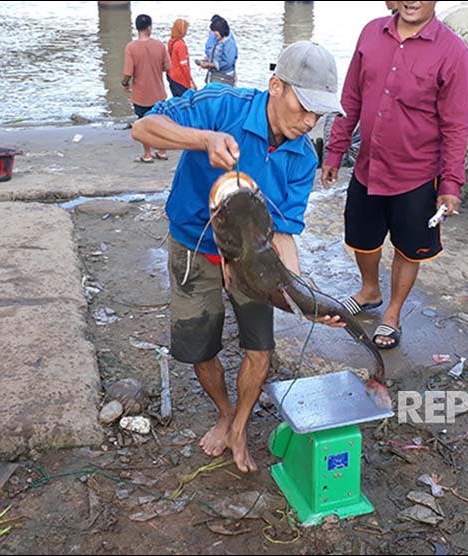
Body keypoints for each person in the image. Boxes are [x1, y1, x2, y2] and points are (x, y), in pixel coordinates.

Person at [132, 41, 346, 473]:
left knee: (260, 349)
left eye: (319, 114)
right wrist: (203, 138)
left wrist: (302, 297)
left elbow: (284, 232)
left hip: (253, 256)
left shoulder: (303, 157)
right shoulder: (220, 103)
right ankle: (223, 411)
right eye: (304, 106)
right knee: (199, 347)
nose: (310, 122)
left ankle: (239, 426)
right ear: (275, 86)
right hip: (195, 244)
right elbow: (144, 128)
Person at [321, 1, 468, 350]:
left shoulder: (454, 53)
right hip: (368, 166)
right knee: (362, 239)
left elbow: (457, 124)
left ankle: (392, 311)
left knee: (409, 248)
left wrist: (450, 183)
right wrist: (336, 149)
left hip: (417, 174)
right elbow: (351, 97)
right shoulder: (370, 33)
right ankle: (369, 289)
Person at [123, 14, 171, 163]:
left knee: (144, 124)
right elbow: (167, 67)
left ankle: (147, 154)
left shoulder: (131, 47)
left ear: (137, 28)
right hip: (158, 92)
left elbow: (128, 73)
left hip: (141, 95)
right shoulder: (160, 46)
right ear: (149, 27)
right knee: (161, 123)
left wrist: (125, 83)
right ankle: (162, 151)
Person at [200, 18, 238, 86]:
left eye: (215, 31)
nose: (214, 34)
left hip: (224, 77)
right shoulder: (217, 40)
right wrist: (208, 60)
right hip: (214, 75)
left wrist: (210, 65)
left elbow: (228, 63)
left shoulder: (229, 44)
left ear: (221, 30)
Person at [167, 19, 196, 97]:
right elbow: (184, 66)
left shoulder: (171, 41)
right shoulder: (181, 45)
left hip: (171, 75)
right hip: (180, 79)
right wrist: (190, 81)